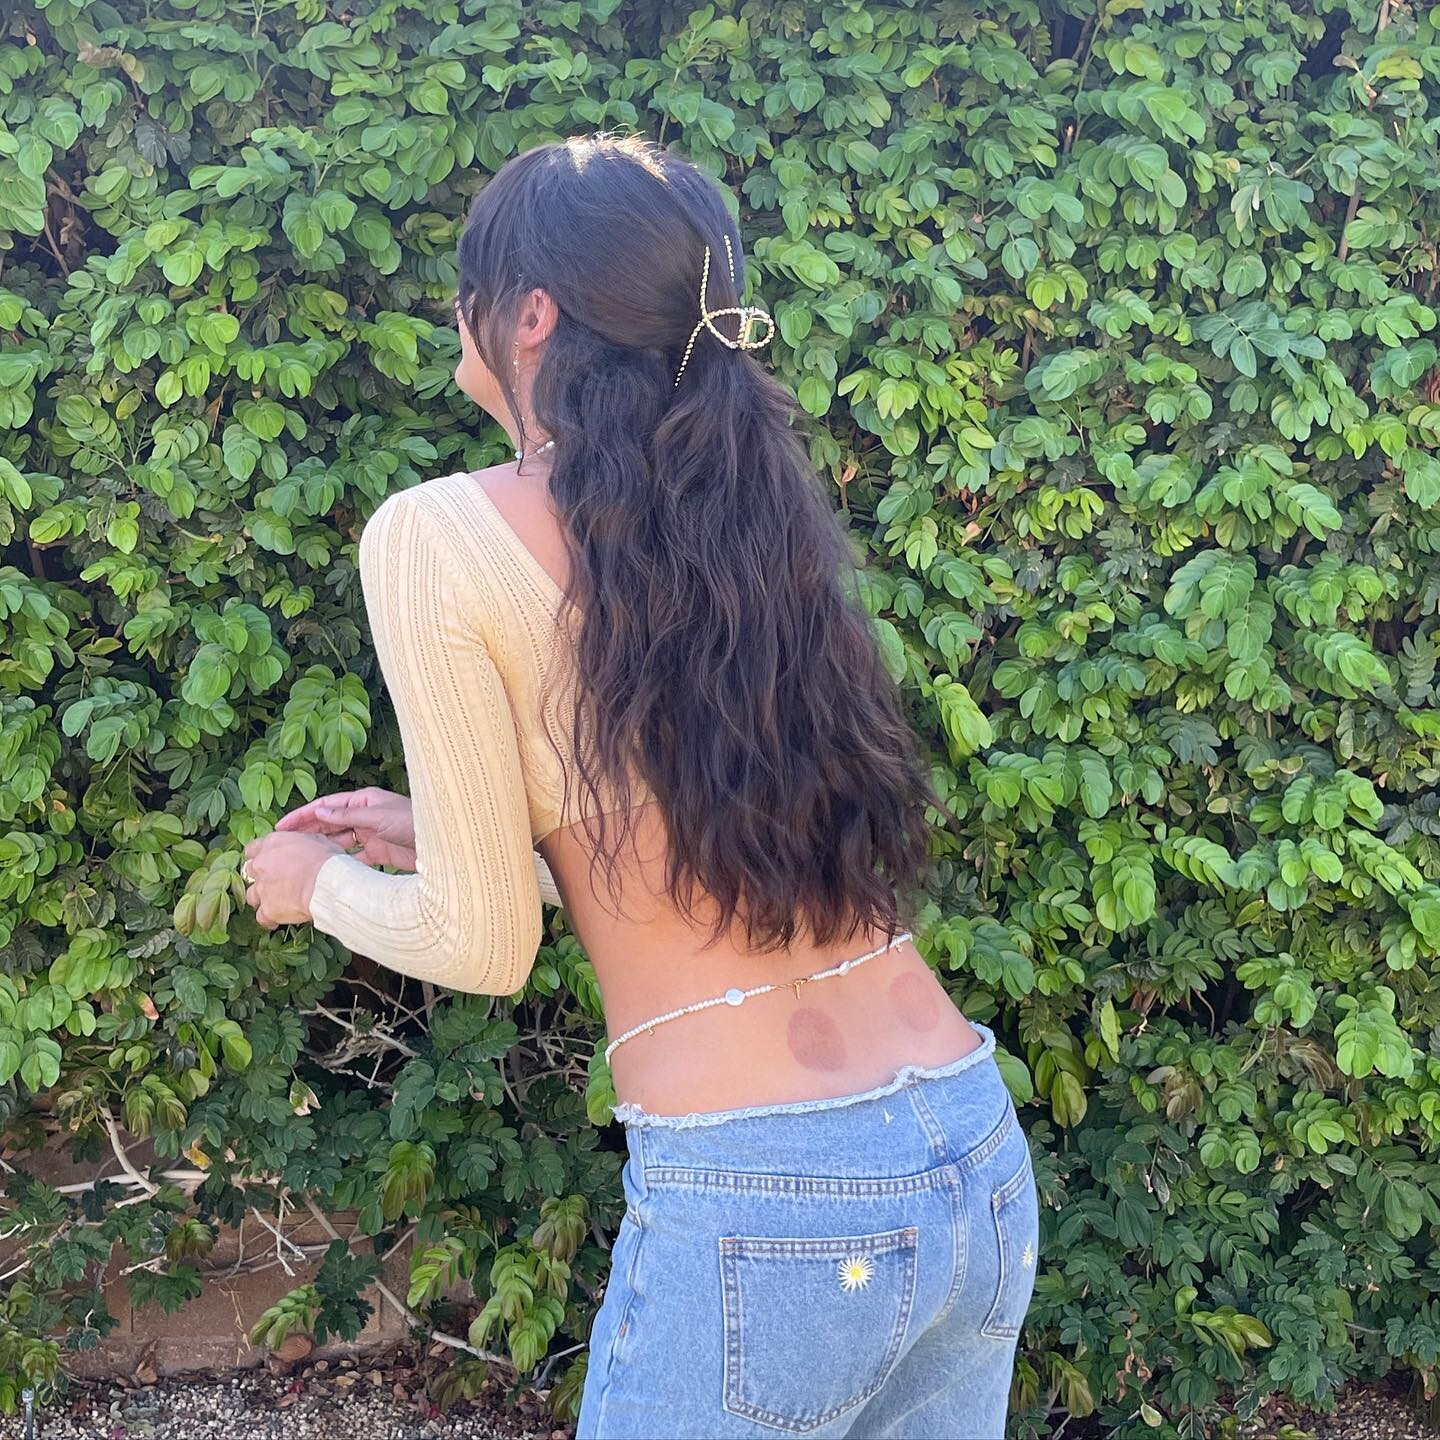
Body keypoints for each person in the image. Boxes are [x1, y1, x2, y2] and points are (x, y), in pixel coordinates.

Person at [239, 133, 1038, 1439]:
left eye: (468, 284)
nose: (455, 314)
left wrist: (310, 882)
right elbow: (685, 856)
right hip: (968, 1155)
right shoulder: (742, 523)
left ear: (530, 316)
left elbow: (479, 945)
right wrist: (451, 836)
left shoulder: (436, 534)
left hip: (776, 1207)